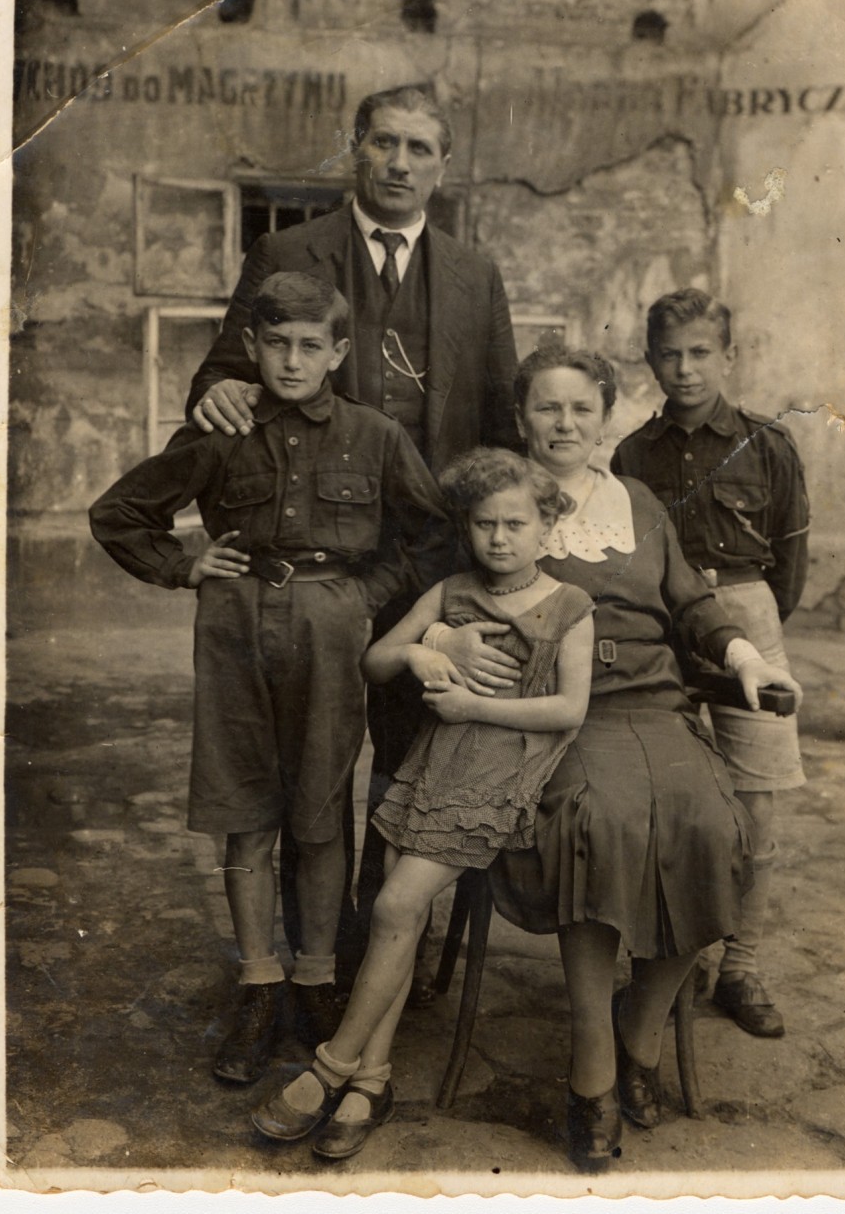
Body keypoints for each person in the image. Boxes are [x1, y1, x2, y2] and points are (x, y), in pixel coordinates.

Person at [428, 346, 802, 1169]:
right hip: (556, 719)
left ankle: (641, 1029)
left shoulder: (637, 500)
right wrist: (442, 638)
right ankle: (593, 1063)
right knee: (600, 823)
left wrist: (744, 658)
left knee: (714, 823)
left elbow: (694, 604)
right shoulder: (501, 500)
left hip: (656, 709)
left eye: (581, 410)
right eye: (546, 410)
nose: (564, 425)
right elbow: (447, 597)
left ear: (604, 417)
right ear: (521, 418)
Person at [184, 84, 518, 984]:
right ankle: (306, 962)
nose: (401, 163)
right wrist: (212, 389)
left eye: (420, 148)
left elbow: (499, 424)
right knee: (301, 775)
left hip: (422, 564)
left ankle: (378, 957)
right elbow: (225, 370)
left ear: (443, 167)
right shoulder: (288, 250)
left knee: (408, 761)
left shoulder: (473, 273)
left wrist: (489, 573)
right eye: (384, 144)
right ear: (355, 150)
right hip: (304, 567)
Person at [89, 273, 448, 1087]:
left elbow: (429, 535)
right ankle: (258, 980)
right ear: (251, 346)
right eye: (276, 343)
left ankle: (316, 978)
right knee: (244, 806)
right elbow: (118, 514)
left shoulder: (376, 434)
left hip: (331, 622)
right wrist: (183, 566)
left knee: (321, 810)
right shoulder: (221, 430)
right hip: (235, 624)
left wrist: (366, 596)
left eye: (310, 346)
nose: (292, 361)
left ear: (339, 352)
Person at [249, 449, 595, 1160]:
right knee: (397, 917)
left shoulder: (569, 606)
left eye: (514, 523)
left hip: (503, 773)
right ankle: (373, 1078)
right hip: (434, 765)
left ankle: (333, 1064)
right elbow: (373, 659)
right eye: (482, 524)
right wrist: (417, 654)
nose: (498, 538)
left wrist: (470, 702)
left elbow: (570, 709)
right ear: (466, 528)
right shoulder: (449, 593)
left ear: (546, 526)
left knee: (394, 907)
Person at [611, 289, 809, 1039]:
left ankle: (742, 965)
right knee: (666, 797)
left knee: (756, 802)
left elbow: (789, 561)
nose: (685, 368)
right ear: (650, 359)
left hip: (747, 620)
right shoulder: (633, 453)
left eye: (700, 353)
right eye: (669, 353)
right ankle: (670, 955)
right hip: (662, 627)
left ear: (729, 357)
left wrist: (754, 633)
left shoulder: (768, 444)